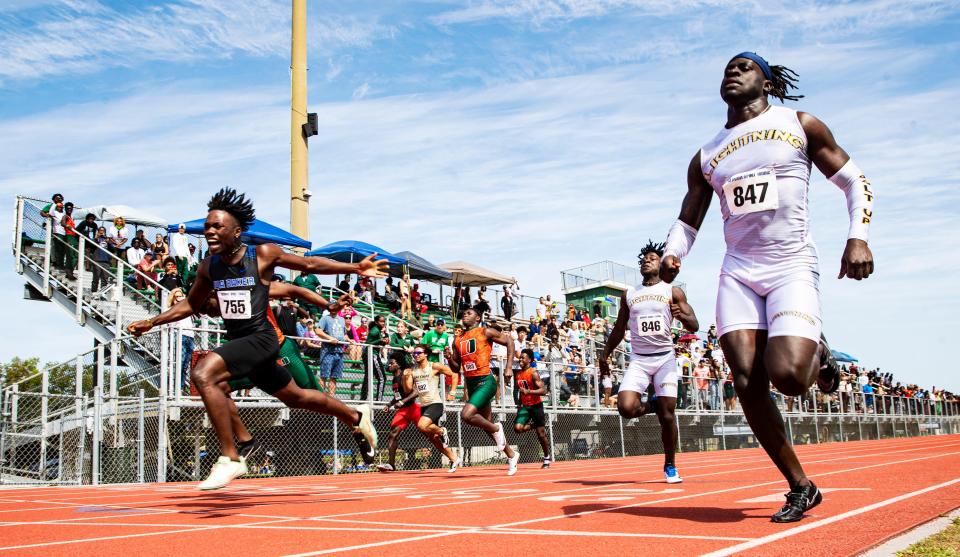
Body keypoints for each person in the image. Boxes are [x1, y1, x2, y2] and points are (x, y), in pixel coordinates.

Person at [658, 52, 874, 522]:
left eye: (744, 66)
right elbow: (687, 219)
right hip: (738, 271)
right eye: (726, 69)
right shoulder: (707, 154)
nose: (732, 72)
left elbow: (855, 181)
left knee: (791, 378)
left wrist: (857, 236)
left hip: (791, 265)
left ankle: (818, 352)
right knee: (746, 380)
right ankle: (801, 486)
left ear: (767, 81)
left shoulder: (798, 124)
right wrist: (675, 253)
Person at [127, 187, 387, 490]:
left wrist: (355, 267)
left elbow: (310, 266)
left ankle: (231, 457)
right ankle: (355, 415)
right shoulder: (208, 267)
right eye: (207, 226)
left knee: (203, 373)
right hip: (240, 342)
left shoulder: (262, 254)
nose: (209, 231)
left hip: (262, 338)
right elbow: (191, 305)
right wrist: (152, 321)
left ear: (236, 232)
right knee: (296, 397)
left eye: (217, 226)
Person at [601, 241, 699, 485]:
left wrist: (682, 315)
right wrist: (605, 354)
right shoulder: (629, 294)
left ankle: (670, 465)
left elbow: (694, 324)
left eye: (652, 258)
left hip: (665, 358)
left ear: (661, 263)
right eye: (643, 259)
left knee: (668, 416)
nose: (646, 261)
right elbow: (618, 327)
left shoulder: (672, 291)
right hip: (639, 360)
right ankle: (654, 405)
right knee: (625, 408)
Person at [447, 307, 520, 475]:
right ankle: (511, 455)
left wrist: (508, 367)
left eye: (469, 313)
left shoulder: (485, 332)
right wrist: (449, 357)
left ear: (478, 317)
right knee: (486, 425)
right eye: (464, 313)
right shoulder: (457, 340)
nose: (465, 315)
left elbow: (509, 341)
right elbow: (456, 368)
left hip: (486, 381)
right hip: (471, 383)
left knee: (466, 415)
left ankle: (496, 428)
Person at [379, 346, 461, 473]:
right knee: (432, 438)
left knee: (423, 426)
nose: (416, 355)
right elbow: (408, 390)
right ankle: (453, 457)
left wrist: (453, 391)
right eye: (414, 353)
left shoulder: (434, 366)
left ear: (426, 354)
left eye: (418, 353)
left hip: (435, 403)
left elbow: (455, 374)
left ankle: (441, 430)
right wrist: (406, 378)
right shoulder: (413, 370)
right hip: (423, 406)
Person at [513, 349, 551, 468]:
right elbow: (519, 390)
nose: (520, 360)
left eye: (523, 358)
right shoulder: (518, 374)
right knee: (517, 428)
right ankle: (535, 425)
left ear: (529, 360)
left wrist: (529, 391)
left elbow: (544, 390)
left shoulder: (533, 373)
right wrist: (519, 403)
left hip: (536, 406)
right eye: (520, 358)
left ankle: (546, 457)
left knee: (541, 435)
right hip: (525, 406)